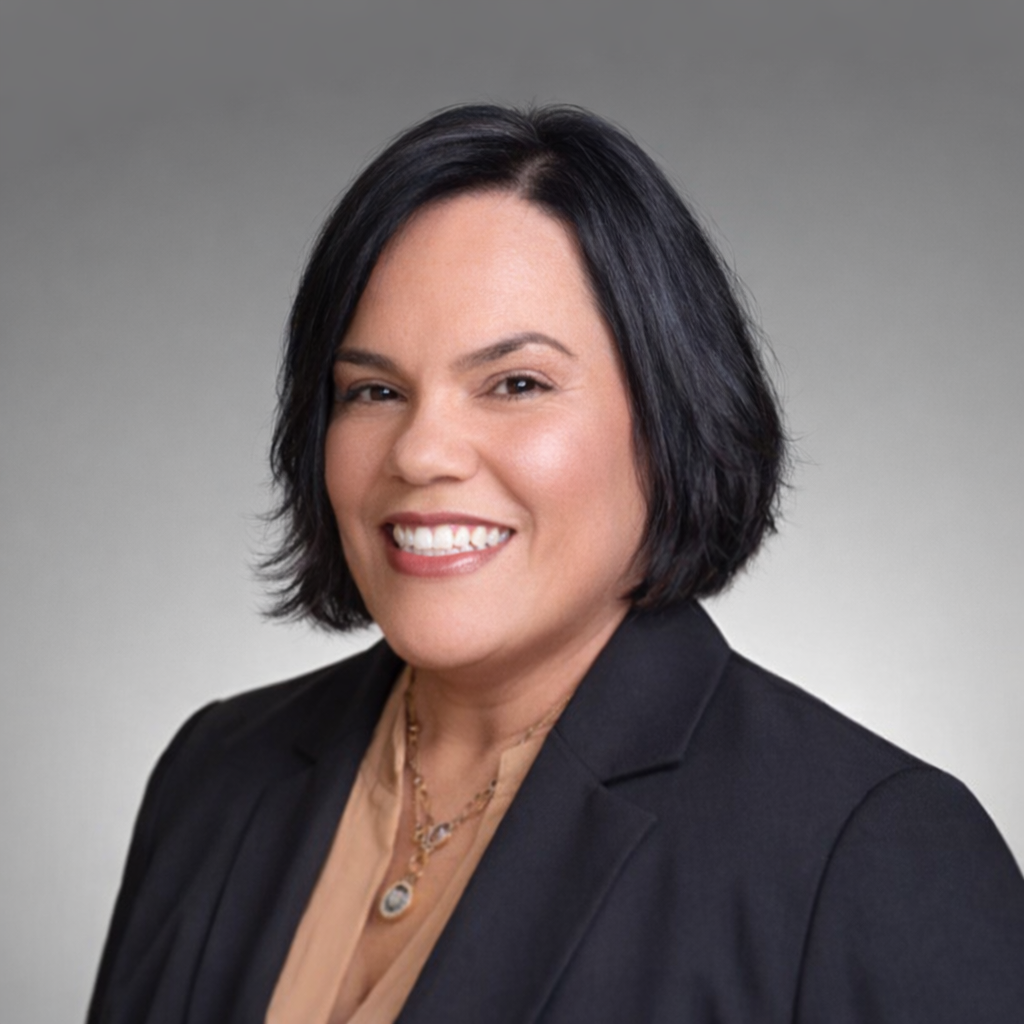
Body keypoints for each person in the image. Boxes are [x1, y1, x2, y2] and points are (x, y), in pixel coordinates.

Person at [87, 104, 1024, 1024]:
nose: (420, 452)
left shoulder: (869, 851)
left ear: (669, 417)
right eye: (372, 390)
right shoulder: (215, 773)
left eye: (516, 383)